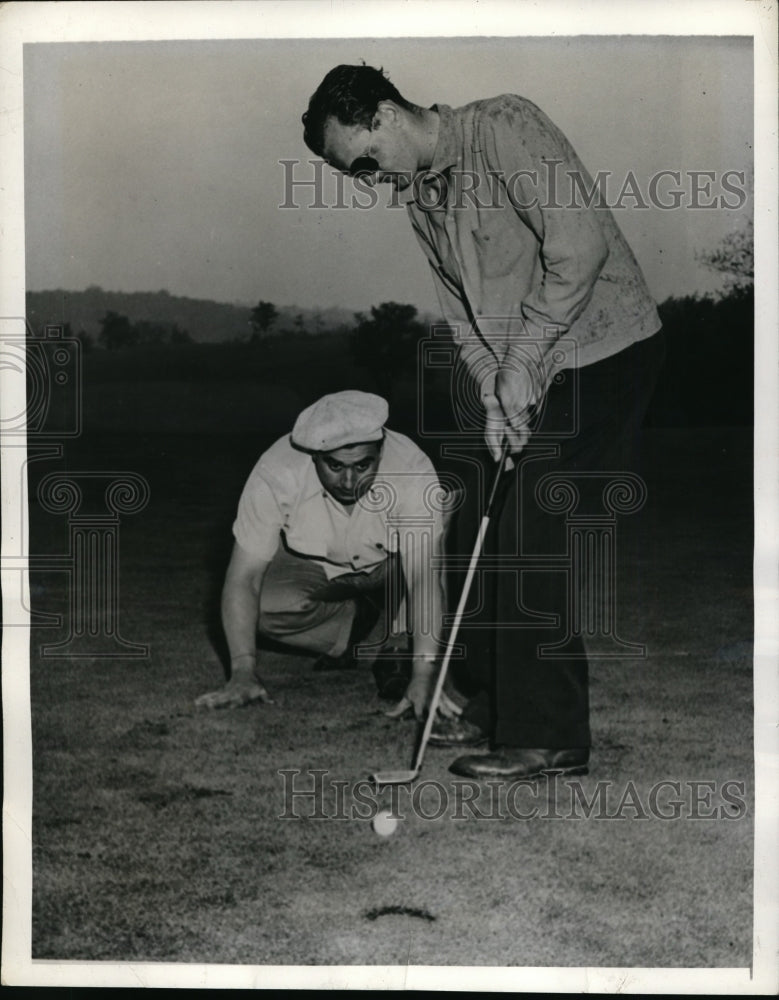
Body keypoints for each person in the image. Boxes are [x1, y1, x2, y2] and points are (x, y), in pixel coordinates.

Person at [302, 66, 666, 779]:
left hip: (606, 349)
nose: (370, 180)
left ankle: (548, 736)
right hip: (536, 367)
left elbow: (579, 247)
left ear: (382, 115)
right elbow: (463, 314)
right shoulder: (420, 199)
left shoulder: (501, 125)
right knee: (476, 520)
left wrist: (523, 360)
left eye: (364, 162)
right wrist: (496, 392)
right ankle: (497, 708)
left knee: (528, 522)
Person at [196, 390, 459, 720]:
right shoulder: (276, 470)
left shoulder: (411, 468)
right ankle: (353, 628)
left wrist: (422, 675)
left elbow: (422, 577)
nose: (349, 481)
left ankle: (401, 644)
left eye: (363, 464)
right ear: (313, 455)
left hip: (394, 563)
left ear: (381, 451)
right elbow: (244, 578)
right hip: (315, 566)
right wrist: (243, 672)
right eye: (335, 465)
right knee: (264, 607)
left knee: (436, 543)